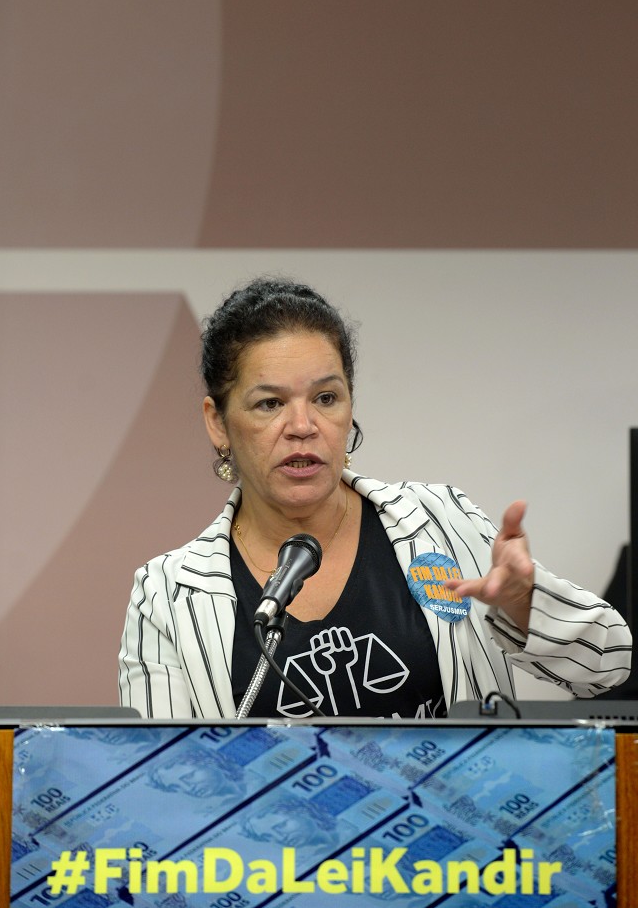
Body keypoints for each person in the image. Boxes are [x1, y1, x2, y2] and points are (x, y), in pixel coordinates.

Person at [118, 278, 632, 719]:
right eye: (270, 403)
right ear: (218, 423)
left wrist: (524, 604)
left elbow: (611, 665)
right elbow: (160, 782)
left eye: (326, 398)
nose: (303, 425)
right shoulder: (166, 595)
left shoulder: (442, 521)